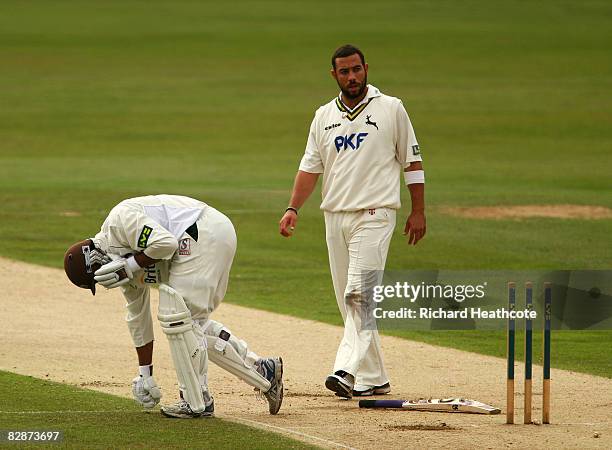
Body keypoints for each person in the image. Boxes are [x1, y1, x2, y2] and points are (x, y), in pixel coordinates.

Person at [278, 44, 426, 399]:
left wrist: (418, 210)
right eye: (344, 72)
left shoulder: (391, 108)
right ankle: (374, 378)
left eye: (357, 69)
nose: (352, 77)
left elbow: (413, 162)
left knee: (359, 296)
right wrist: (293, 208)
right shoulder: (323, 115)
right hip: (335, 217)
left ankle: (345, 370)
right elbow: (310, 168)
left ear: (366, 68)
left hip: (376, 213)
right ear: (335, 75)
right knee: (350, 301)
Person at [64, 194, 283, 418]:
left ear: (96, 261)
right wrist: (145, 374)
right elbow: (138, 319)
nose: (102, 282)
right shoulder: (119, 270)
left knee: (177, 319)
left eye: (97, 278)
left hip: (202, 231)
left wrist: (128, 265)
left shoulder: (119, 223)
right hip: (209, 235)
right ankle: (263, 369)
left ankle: (196, 400)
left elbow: (166, 243)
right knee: (193, 324)